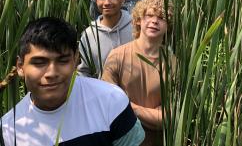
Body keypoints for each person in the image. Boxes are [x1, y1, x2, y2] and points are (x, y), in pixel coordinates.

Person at [1, 17, 144, 146]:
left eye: (62, 61)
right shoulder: (9, 130)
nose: (51, 73)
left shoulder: (111, 101)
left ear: (76, 60)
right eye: (39, 63)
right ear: (20, 67)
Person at [101, 0, 174, 146]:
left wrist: (129, 107)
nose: (154, 21)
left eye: (162, 18)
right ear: (139, 20)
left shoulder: (173, 63)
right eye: (149, 15)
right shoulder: (117, 56)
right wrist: (151, 114)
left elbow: (168, 118)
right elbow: (107, 108)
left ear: (169, 26)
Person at [78, 0, 133, 77]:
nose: (107, 3)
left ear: (122, 0)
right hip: (100, 92)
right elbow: (84, 72)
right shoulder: (88, 34)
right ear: (96, 1)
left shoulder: (136, 28)